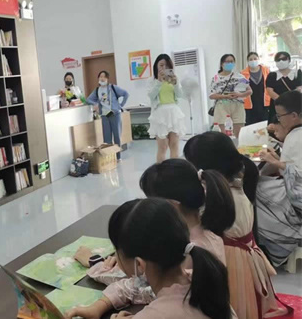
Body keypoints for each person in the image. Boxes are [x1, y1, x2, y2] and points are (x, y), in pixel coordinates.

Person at [71, 160, 234, 318]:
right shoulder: (190, 249)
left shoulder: (186, 254)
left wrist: (96, 262)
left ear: (170, 206)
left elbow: (140, 289)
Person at [184, 132, 287, 319]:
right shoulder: (240, 180)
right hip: (246, 253)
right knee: (247, 302)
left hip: (227, 258)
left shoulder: (214, 195)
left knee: (233, 303)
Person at [257, 91, 302, 266]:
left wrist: (274, 161)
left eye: (280, 116)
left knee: (256, 190)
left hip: (297, 195)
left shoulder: (297, 136)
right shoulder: (295, 134)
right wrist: (276, 159)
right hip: (293, 186)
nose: (278, 120)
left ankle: (275, 243)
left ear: (294, 115)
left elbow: (297, 173)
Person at [147, 54, 186, 163]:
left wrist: (176, 83)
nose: (164, 68)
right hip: (160, 114)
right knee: (162, 146)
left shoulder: (173, 79)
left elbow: (180, 95)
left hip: (173, 112)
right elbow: (151, 96)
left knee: (174, 145)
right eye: (161, 65)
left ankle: (174, 170)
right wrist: (159, 82)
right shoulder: (152, 80)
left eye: (167, 65)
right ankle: (160, 171)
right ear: (156, 66)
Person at [86, 71, 129, 158]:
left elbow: (126, 94)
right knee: (106, 138)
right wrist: (96, 104)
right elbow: (88, 99)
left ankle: (118, 157)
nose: (102, 78)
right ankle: (110, 157)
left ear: (107, 79)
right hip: (104, 115)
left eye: (104, 77)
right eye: (100, 77)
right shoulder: (97, 90)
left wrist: (121, 105)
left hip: (114, 114)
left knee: (117, 136)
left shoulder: (113, 87)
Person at [209, 54, 252, 138]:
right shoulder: (216, 78)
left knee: (239, 133)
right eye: (227, 62)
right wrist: (225, 96)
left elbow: (250, 91)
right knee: (222, 134)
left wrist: (240, 94)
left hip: (237, 106)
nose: (230, 63)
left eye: (232, 62)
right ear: (222, 64)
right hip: (222, 106)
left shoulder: (240, 76)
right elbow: (211, 95)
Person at [266, 51, 302, 122]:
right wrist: (282, 101)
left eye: (284, 59)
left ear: (289, 60)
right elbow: (270, 91)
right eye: (278, 60)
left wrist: (289, 101)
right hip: (277, 106)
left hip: (293, 105)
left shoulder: (297, 73)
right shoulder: (272, 75)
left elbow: (299, 88)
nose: (281, 61)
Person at [241, 52, 271, 125]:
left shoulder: (266, 70)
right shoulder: (243, 74)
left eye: (255, 59)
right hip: (250, 105)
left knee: (265, 125)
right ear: (247, 61)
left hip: (265, 103)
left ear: (258, 59)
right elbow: (242, 88)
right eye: (250, 59)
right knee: (250, 126)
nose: (253, 61)